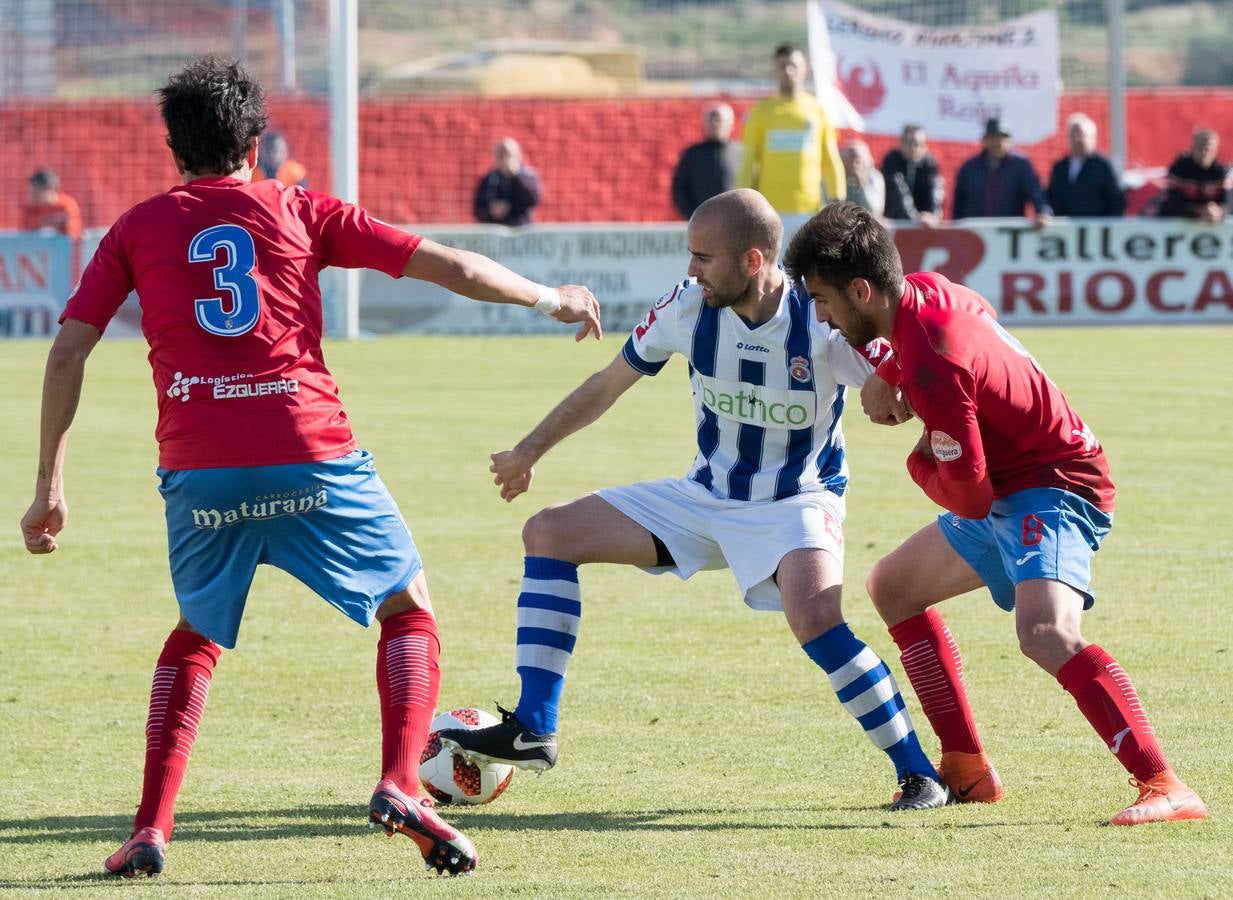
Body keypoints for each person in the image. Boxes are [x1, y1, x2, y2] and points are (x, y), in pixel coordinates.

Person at [19, 57, 601, 880]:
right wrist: (551, 297)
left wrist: (49, 483)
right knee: (408, 608)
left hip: (200, 470)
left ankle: (151, 828)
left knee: (194, 639)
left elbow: (67, 350)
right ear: (255, 143)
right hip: (309, 451)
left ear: (171, 148)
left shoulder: (136, 228)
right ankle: (402, 783)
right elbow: (450, 264)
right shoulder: (301, 208)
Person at [437, 188, 951, 812]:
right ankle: (534, 727)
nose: (691, 271)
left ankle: (919, 775)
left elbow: (910, 371)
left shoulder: (820, 318)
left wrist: (893, 387)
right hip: (702, 498)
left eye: (704, 258)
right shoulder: (686, 309)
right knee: (548, 533)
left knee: (817, 620)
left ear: (754, 261)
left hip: (796, 501)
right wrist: (529, 451)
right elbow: (607, 385)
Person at [783, 201, 1208, 827]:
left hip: (1055, 484)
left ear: (861, 289)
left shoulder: (932, 366)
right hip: (1013, 478)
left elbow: (971, 497)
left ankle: (1165, 784)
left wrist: (918, 458)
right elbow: (974, 315)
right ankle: (967, 769)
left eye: (822, 300)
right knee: (893, 587)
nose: (819, 315)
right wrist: (890, 375)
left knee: (1045, 633)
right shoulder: (924, 291)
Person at [736, 43, 845, 215]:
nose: (788, 71)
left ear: (805, 69)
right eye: (782, 66)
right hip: (769, 212)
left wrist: (837, 198)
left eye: (793, 65)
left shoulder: (818, 110)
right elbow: (748, 162)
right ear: (774, 71)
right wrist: (742, 202)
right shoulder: (760, 112)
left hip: (810, 211)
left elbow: (831, 158)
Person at [952, 118, 1051, 225]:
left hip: (1008, 234)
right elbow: (958, 205)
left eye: (1002, 138)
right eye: (993, 138)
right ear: (984, 140)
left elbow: (1035, 192)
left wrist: (1043, 212)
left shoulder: (1021, 165)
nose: (998, 143)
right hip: (976, 234)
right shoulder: (969, 168)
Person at [670, 102, 740, 219]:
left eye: (719, 120)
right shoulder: (692, 154)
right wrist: (694, 216)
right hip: (702, 224)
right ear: (704, 123)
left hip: (736, 222)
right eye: (711, 120)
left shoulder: (741, 153)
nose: (715, 124)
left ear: (731, 124)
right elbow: (679, 190)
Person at [1046, 113, 1125, 217]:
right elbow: (1051, 197)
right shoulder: (1060, 167)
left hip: (1095, 228)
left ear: (1093, 137)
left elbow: (1116, 199)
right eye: (1074, 134)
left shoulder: (1103, 165)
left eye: (1082, 134)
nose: (1078, 139)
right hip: (1065, 230)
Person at [1157, 128, 1227, 222]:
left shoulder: (1221, 172)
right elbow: (1171, 204)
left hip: (1212, 227)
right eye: (1200, 147)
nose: (1204, 153)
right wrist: (1198, 211)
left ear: (1216, 150)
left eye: (1208, 149)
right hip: (1176, 228)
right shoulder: (1179, 169)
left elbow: (1228, 203)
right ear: (1192, 148)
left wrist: (1219, 212)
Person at [881, 124, 943, 226]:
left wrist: (931, 216)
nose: (914, 148)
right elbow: (899, 194)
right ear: (900, 143)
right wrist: (915, 220)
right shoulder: (891, 160)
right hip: (895, 224)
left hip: (922, 226)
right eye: (910, 143)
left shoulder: (930, 164)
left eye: (919, 144)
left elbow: (934, 194)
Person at [473, 137, 542, 226]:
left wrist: (515, 175)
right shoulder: (489, 179)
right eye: (500, 155)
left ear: (518, 155)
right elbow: (478, 209)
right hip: (496, 232)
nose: (504, 160)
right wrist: (491, 211)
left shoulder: (527, 176)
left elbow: (533, 200)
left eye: (508, 155)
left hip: (521, 229)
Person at [21, 169, 82, 240]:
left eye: (36, 192)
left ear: (50, 190)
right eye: (32, 192)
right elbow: (28, 236)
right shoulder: (31, 209)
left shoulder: (66, 206)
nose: (33, 195)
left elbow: (73, 235)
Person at [840, 139, 885, 219]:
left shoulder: (874, 178)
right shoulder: (835, 178)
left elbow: (875, 211)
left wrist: (861, 183)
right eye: (850, 159)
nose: (854, 165)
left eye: (857, 160)